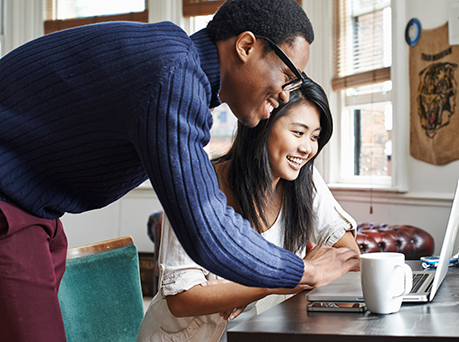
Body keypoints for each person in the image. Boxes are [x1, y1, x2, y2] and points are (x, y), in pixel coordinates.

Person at [0, 0, 360, 341]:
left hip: (37, 210)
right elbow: (207, 231)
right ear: (246, 46)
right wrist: (303, 270)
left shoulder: (176, 70)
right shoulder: (172, 75)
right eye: (286, 75)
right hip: (11, 207)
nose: (285, 93)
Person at [138, 77, 360, 342]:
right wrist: (280, 279)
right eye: (298, 133)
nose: (307, 148)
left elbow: (349, 256)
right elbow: (182, 299)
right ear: (263, 125)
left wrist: (247, 288)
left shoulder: (303, 179)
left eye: (315, 137)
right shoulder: (197, 184)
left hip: (262, 332)